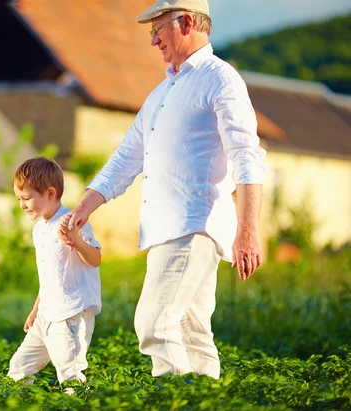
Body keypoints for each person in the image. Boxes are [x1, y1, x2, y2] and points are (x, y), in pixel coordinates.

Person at [59, 0, 266, 380]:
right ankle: (207, 400)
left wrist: (248, 230)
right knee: (192, 335)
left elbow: (247, 156)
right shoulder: (161, 93)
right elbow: (126, 157)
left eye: (158, 29)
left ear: (186, 22)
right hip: (164, 231)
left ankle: (173, 401)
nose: (153, 40)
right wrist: (87, 204)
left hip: (193, 224)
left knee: (154, 323)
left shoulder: (220, 79)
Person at [7, 156, 102, 388]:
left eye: (27, 198)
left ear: (50, 193)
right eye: (19, 198)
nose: (22, 204)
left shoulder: (73, 221)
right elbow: (50, 275)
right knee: (18, 368)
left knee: (70, 374)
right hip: (46, 315)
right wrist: (35, 309)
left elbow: (95, 259)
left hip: (71, 313)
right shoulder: (39, 229)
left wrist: (76, 240)